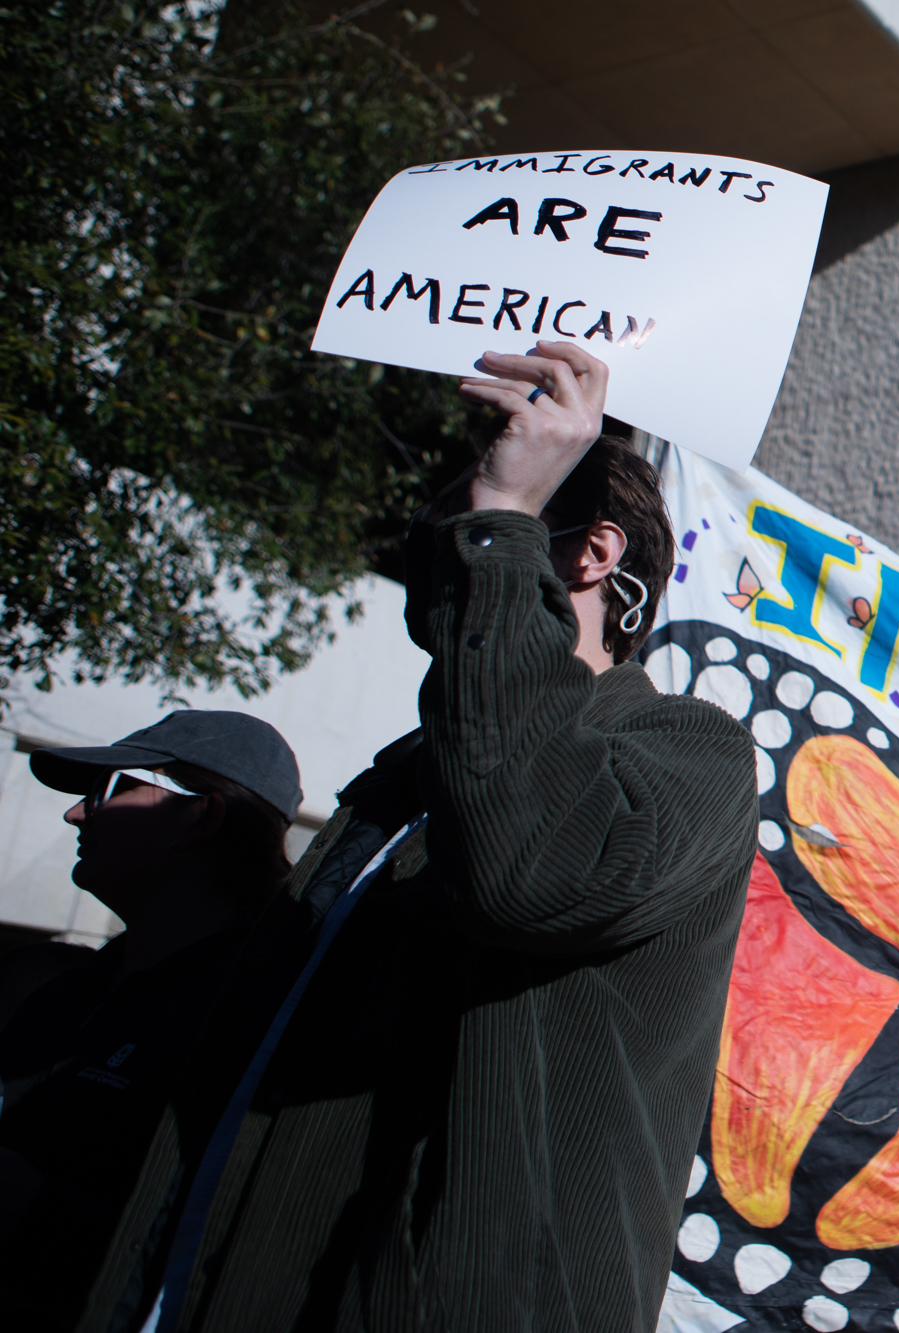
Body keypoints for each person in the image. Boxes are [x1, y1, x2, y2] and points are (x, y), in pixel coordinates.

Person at [69, 342, 758, 1332]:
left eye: (473, 504)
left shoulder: (686, 749)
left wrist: (506, 515)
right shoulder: (405, 773)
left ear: (590, 552)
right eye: (457, 509)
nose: (438, 534)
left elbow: (533, 871)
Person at [0, 710, 303, 1331]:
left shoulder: (257, 1019)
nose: (75, 814)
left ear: (202, 814)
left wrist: (33, 1207)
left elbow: (230, 1249)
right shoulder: (58, 989)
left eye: (109, 789)